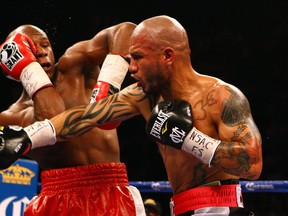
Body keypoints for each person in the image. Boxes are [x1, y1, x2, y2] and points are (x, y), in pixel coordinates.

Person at [0, 15, 263, 216]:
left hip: (220, 208)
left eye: (137, 58)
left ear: (168, 56)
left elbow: (252, 166)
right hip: (180, 207)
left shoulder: (221, 96)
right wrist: (26, 136)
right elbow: (84, 117)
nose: (132, 67)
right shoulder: (143, 95)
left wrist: (189, 139)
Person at [0, 22, 146, 215]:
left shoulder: (74, 66)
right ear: (11, 63)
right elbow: (55, 121)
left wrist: (108, 86)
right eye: (30, 48)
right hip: (54, 201)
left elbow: (125, 30)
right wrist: (29, 69)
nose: (42, 52)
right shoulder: (10, 117)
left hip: (110, 191)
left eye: (45, 45)